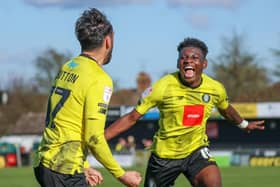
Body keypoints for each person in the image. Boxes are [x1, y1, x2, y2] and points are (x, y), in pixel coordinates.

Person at [105, 37, 265, 187]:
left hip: (196, 151)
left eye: (195, 58)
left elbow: (226, 109)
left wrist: (244, 124)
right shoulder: (162, 87)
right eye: (184, 58)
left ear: (204, 64)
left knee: (213, 183)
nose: (188, 60)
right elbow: (132, 117)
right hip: (164, 157)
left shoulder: (215, 89)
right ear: (177, 63)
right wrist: (101, 138)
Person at [33, 8, 141, 187]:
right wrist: (122, 175)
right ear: (108, 41)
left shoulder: (68, 66)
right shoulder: (99, 79)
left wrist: (83, 165)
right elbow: (94, 137)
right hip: (64, 171)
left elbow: (66, 121)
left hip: (46, 164)